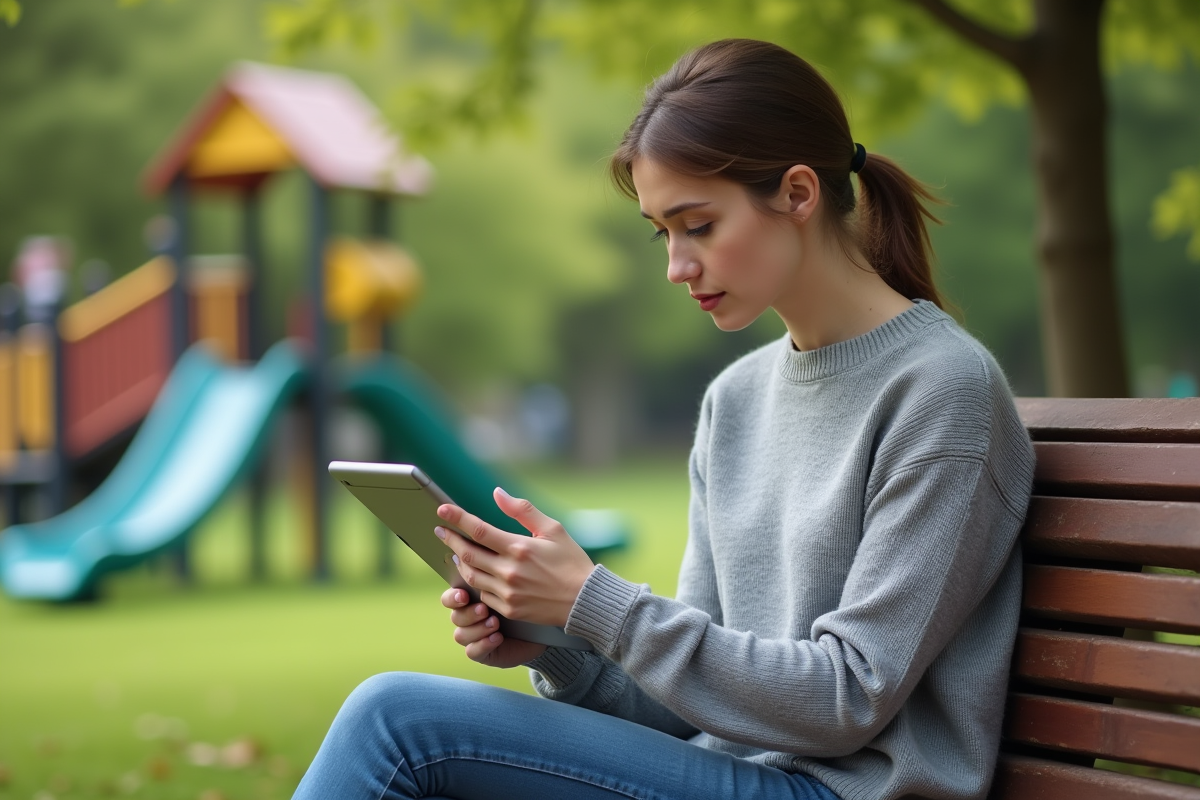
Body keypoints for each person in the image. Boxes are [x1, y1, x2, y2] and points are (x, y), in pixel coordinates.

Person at [293, 38, 1035, 800]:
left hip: (843, 790)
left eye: (699, 225)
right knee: (398, 724)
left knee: (397, 722)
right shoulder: (737, 399)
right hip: (734, 775)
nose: (677, 266)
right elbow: (693, 701)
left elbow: (847, 697)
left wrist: (598, 603)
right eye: (663, 231)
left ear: (799, 194)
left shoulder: (943, 391)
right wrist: (560, 644)